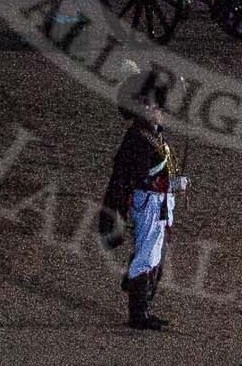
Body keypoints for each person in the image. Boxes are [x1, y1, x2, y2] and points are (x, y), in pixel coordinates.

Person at [98, 70, 191, 331]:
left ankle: (144, 302)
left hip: (159, 204)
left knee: (156, 256)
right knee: (147, 257)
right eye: (154, 105)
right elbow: (139, 180)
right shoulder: (139, 139)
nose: (160, 110)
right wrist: (172, 184)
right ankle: (139, 313)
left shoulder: (151, 133)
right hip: (149, 204)